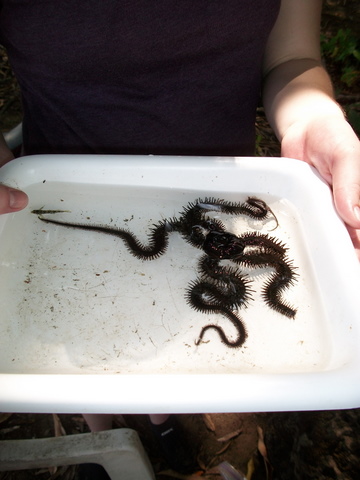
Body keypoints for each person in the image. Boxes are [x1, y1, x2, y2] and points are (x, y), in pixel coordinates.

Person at [0, 0, 359, 476]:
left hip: (213, 190)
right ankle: (98, 428)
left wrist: (315, 121)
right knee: (82, 337)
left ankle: (159, 414)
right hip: (57, 194)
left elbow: (291, 58)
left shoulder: (216, 250)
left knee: (166, 327)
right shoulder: (188, 243)